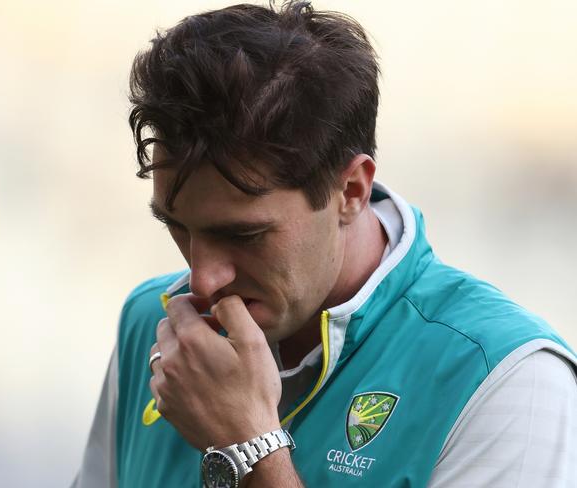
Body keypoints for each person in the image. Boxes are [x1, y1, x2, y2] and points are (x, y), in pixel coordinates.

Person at [71, 2, 577, 487]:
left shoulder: (509, 382)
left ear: (351, 191)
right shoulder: (149, 326)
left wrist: (249, 448)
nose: (202, 279)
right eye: (177, 227)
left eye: (243, 234)